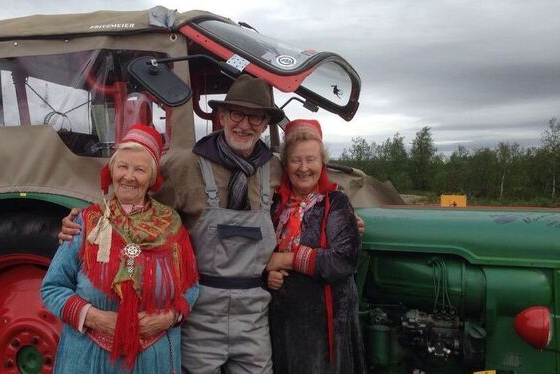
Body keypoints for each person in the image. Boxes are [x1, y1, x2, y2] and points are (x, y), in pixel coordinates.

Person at [59, 75, 365, 373]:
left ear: (265, 124)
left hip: (254, 314)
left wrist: (340, 218)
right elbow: (133, 195)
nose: (245, 125)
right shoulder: (184, 166)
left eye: (256, 118)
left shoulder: (275, 168)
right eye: (237, 114)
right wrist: (85, 221)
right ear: (221, 115)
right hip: (201, 310)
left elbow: (308, 185)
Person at [41, 124, 199, 373]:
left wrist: (169, 318)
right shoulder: (86, 222)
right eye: (122, 166)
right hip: (90, 356)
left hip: (153, 357)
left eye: (140, 169)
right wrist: (94, 317)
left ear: (152, 178)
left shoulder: (172, 226)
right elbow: (52, 287)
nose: (129, 176)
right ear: (112, 170)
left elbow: (191, 287)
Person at [265, 119, 366, 374]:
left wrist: (284, 260)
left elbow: (342, 260)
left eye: (310, 159)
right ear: (286, 165)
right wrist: (269, 273)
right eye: (296, 160)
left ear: (322, 163)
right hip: (284, 324)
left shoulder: (336, 203)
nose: (303, 168)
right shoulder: (274, 207)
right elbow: (262, 254)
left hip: (326, 326)